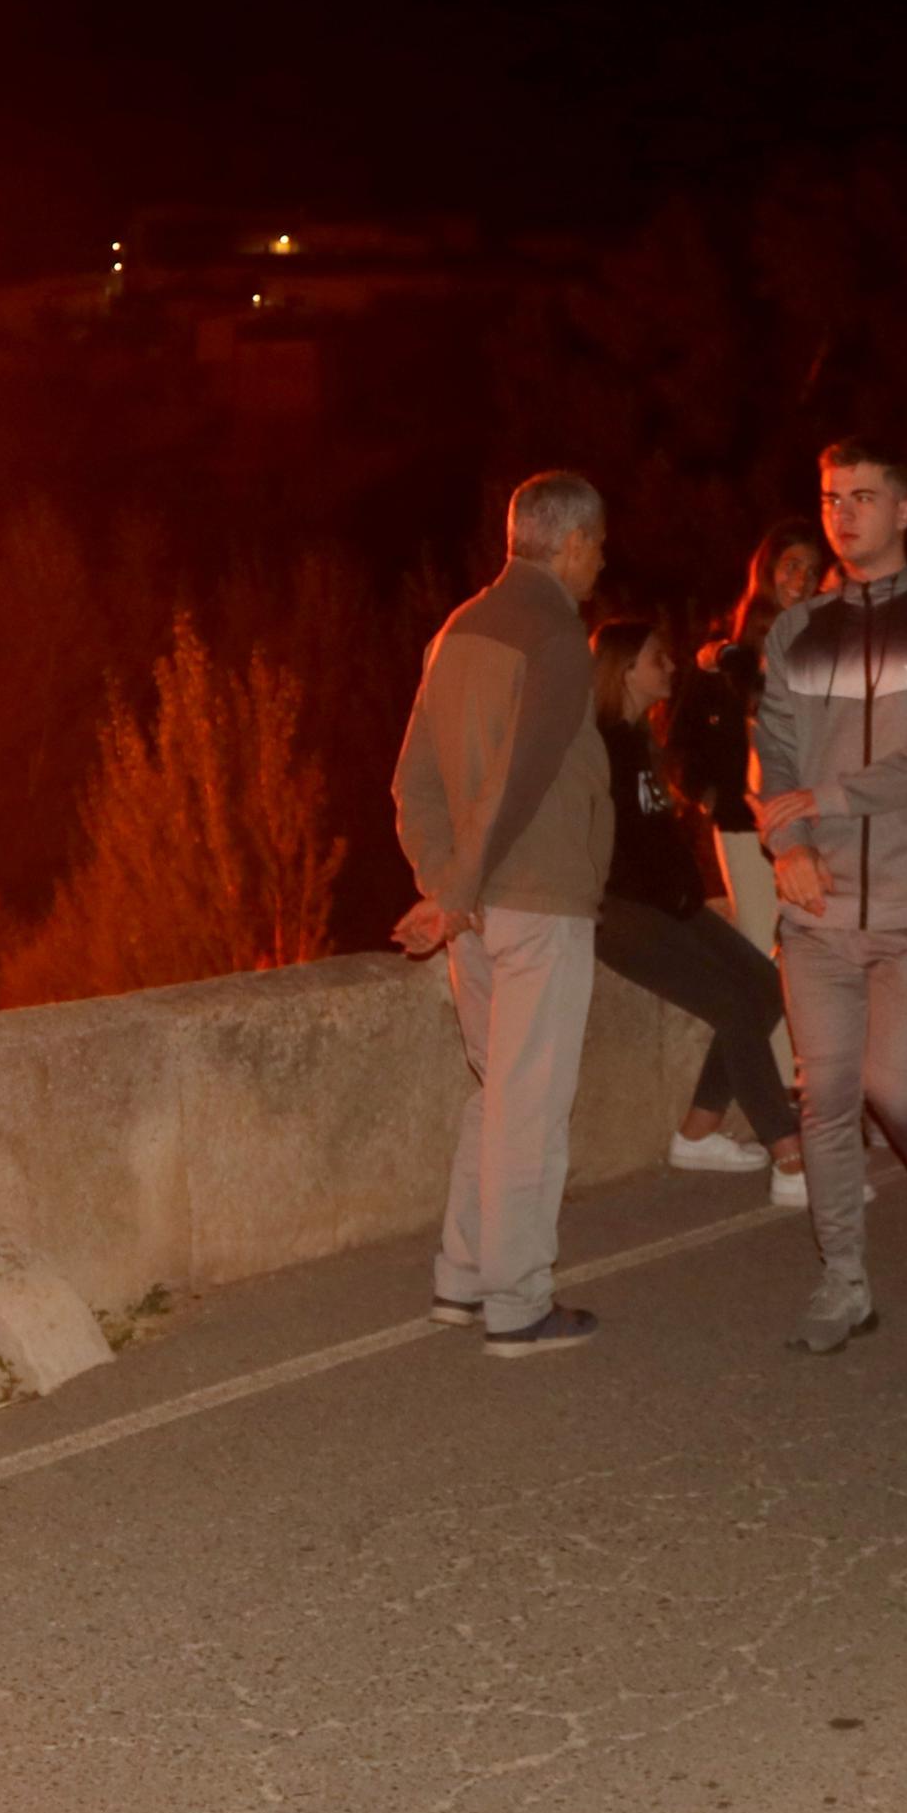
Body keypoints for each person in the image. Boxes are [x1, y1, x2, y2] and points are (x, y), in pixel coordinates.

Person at [753, 440, 907, 1354]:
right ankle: (843, 1278)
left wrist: (835, 797)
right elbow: (771, 756)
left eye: (861, 497)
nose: (841, 514)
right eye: (828, 498)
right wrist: (790, 838)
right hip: (815, 905)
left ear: (904, 510)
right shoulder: (794, 629)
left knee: (899, 1086)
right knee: (826, 1096)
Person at [392, 473, 617, 1357]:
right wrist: (451, 892)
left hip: (477, 907)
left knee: (496, 1096)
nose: (600, 560)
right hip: (537, 900)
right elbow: (514, 784)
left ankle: (462, 1275)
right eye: (598, 545)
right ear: (568, 544)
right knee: (530, 1106)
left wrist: (445, 885)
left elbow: (413, 779)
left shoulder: (458, 629)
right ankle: (518, 1303)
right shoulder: (557, 635)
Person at [590, 621, 803, 1191]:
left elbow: (657, 835)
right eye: (658, 657)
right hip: (623, 912)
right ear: (625, 669)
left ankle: (697, 1134)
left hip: (668, 903)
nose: (670, 666)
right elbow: (607, 842)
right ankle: (789, 1155)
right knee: (733, 1003)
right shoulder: (598, 743)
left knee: (762, 983)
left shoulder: (640, 738)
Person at [699, 524, 827, 958]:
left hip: (808, 814)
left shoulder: (822, 645)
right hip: (746, 819)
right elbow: (684, 735)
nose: (801, 580)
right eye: (791, 566)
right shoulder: (728, 645)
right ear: (768, 570)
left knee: (806, 942)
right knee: (759, 941)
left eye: (812, 570)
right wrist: (711, 795)